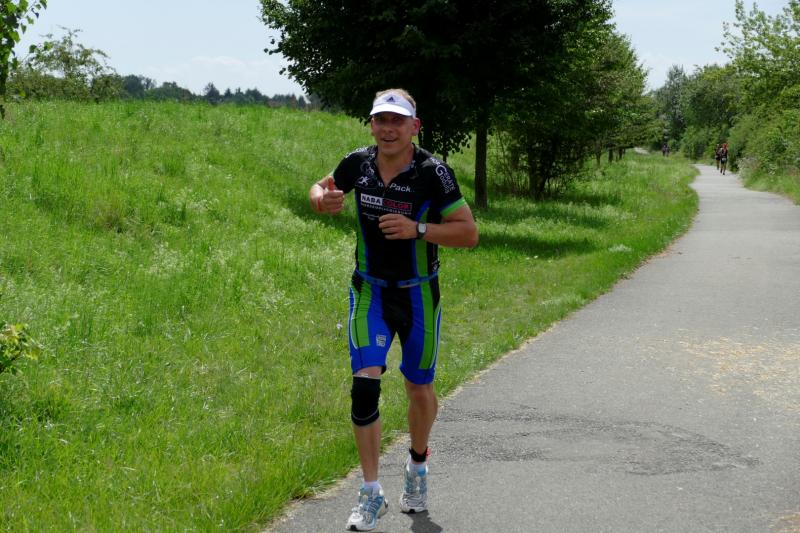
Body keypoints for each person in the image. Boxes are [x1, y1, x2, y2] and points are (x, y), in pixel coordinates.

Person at [308, 88, 479, 531]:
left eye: (397, 121)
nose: (387, 129)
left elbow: (468, 233)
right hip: (370, 291)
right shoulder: (357, 163)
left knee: (419, 388)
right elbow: (321, 186)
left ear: (414, 127)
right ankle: (370, 493)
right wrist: (321, 199)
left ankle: (417, 465)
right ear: (371, 125)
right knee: (364, 387)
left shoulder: (433, 172)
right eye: (380, 120)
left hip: (419, 294)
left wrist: (417, 229)